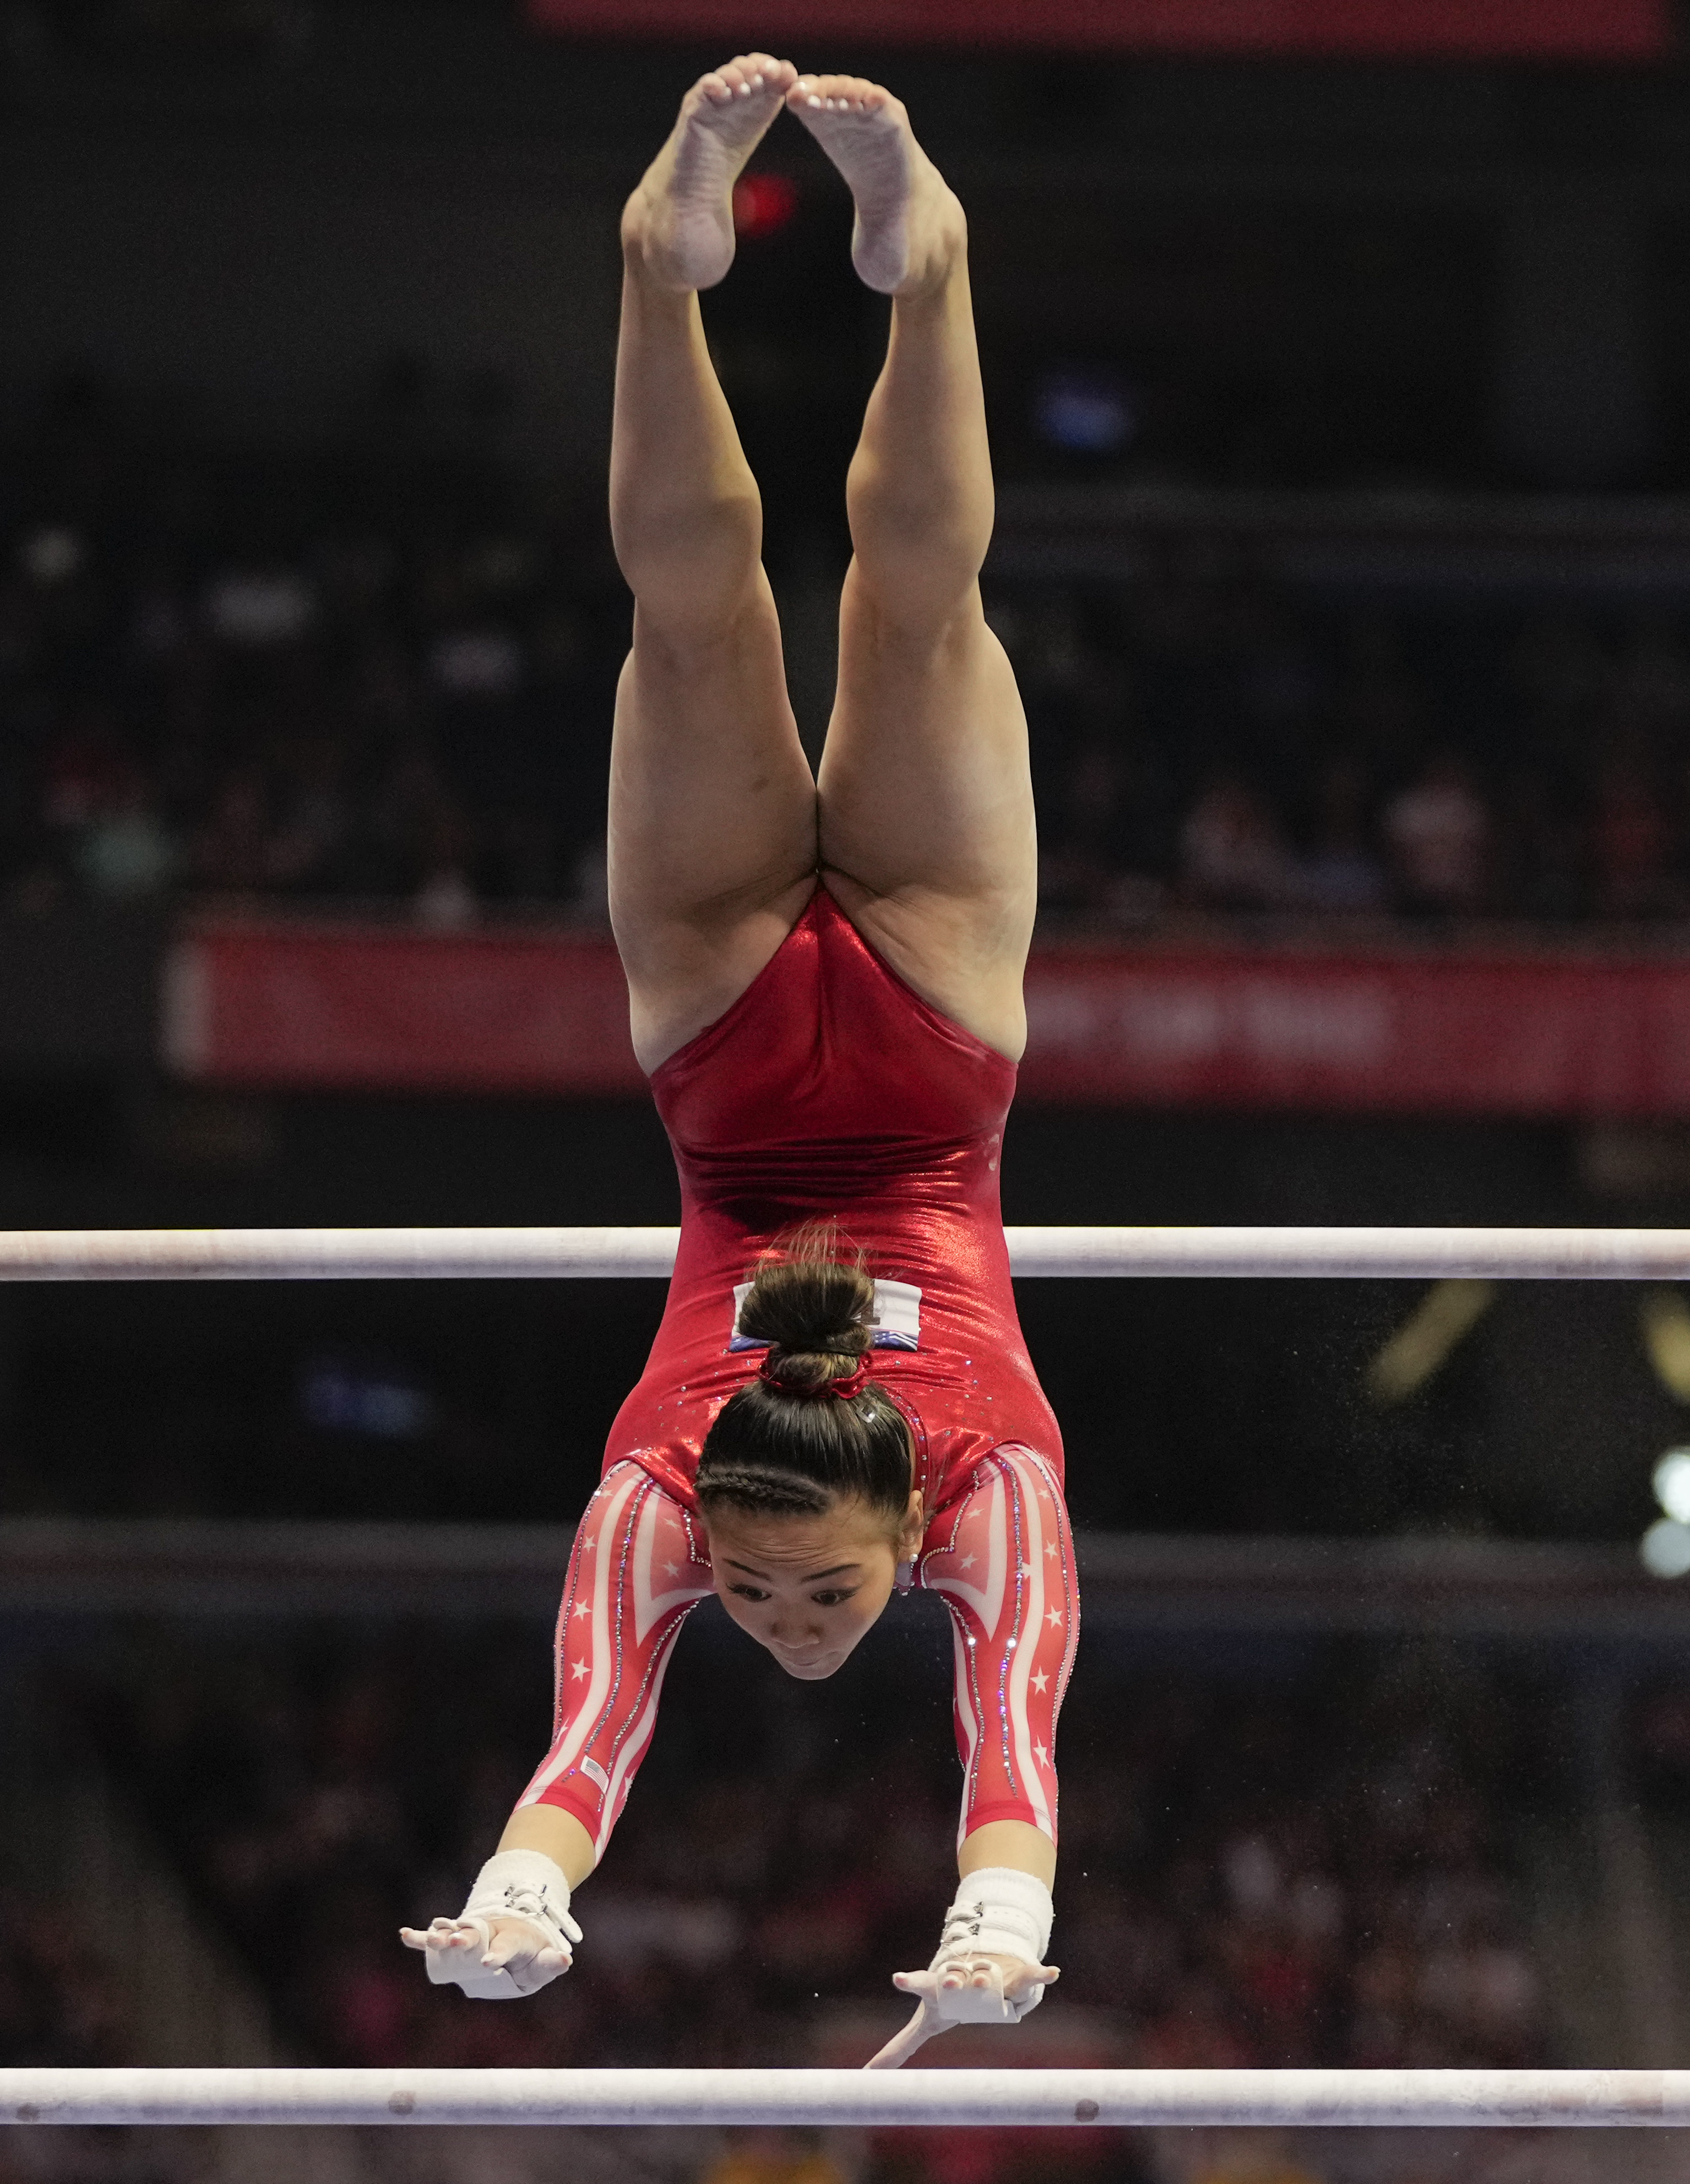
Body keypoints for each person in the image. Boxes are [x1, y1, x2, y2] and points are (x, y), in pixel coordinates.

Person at [397, 58, 1079, 2060]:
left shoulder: (661, 1493)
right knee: (915, 609)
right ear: (898, 1537)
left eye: (770, 1602)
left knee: (692, 637)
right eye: (818, 1602)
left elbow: (590, 1728)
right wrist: (996, 1912)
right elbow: (1016, 1736)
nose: (784, 1625)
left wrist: (528, 1886)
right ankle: (925, 256)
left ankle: (659, 260)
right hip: (938, 1030)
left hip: (720, 1055)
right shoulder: (989, 1494)